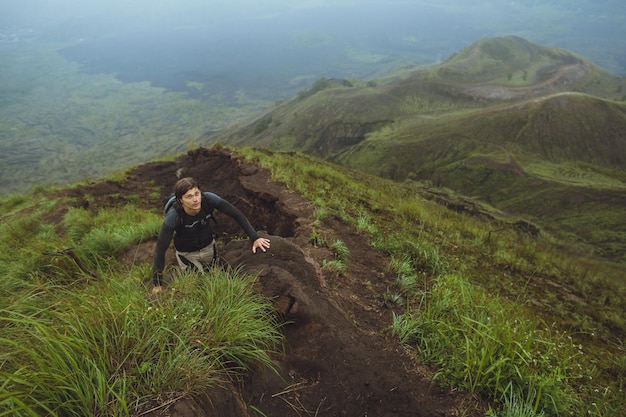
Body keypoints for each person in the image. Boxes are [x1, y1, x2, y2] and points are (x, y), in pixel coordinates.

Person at [151, 177, 270, 294]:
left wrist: (255, 238)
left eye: (197, 194)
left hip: (208, 247)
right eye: (189, 196)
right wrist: (157, 284)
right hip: (187, 255)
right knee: (198, 286)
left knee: (214, 278)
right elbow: (160, 250)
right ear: (180, 200)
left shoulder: (209, 200)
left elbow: (237, 214)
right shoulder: (173, 217)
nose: (195, 199)